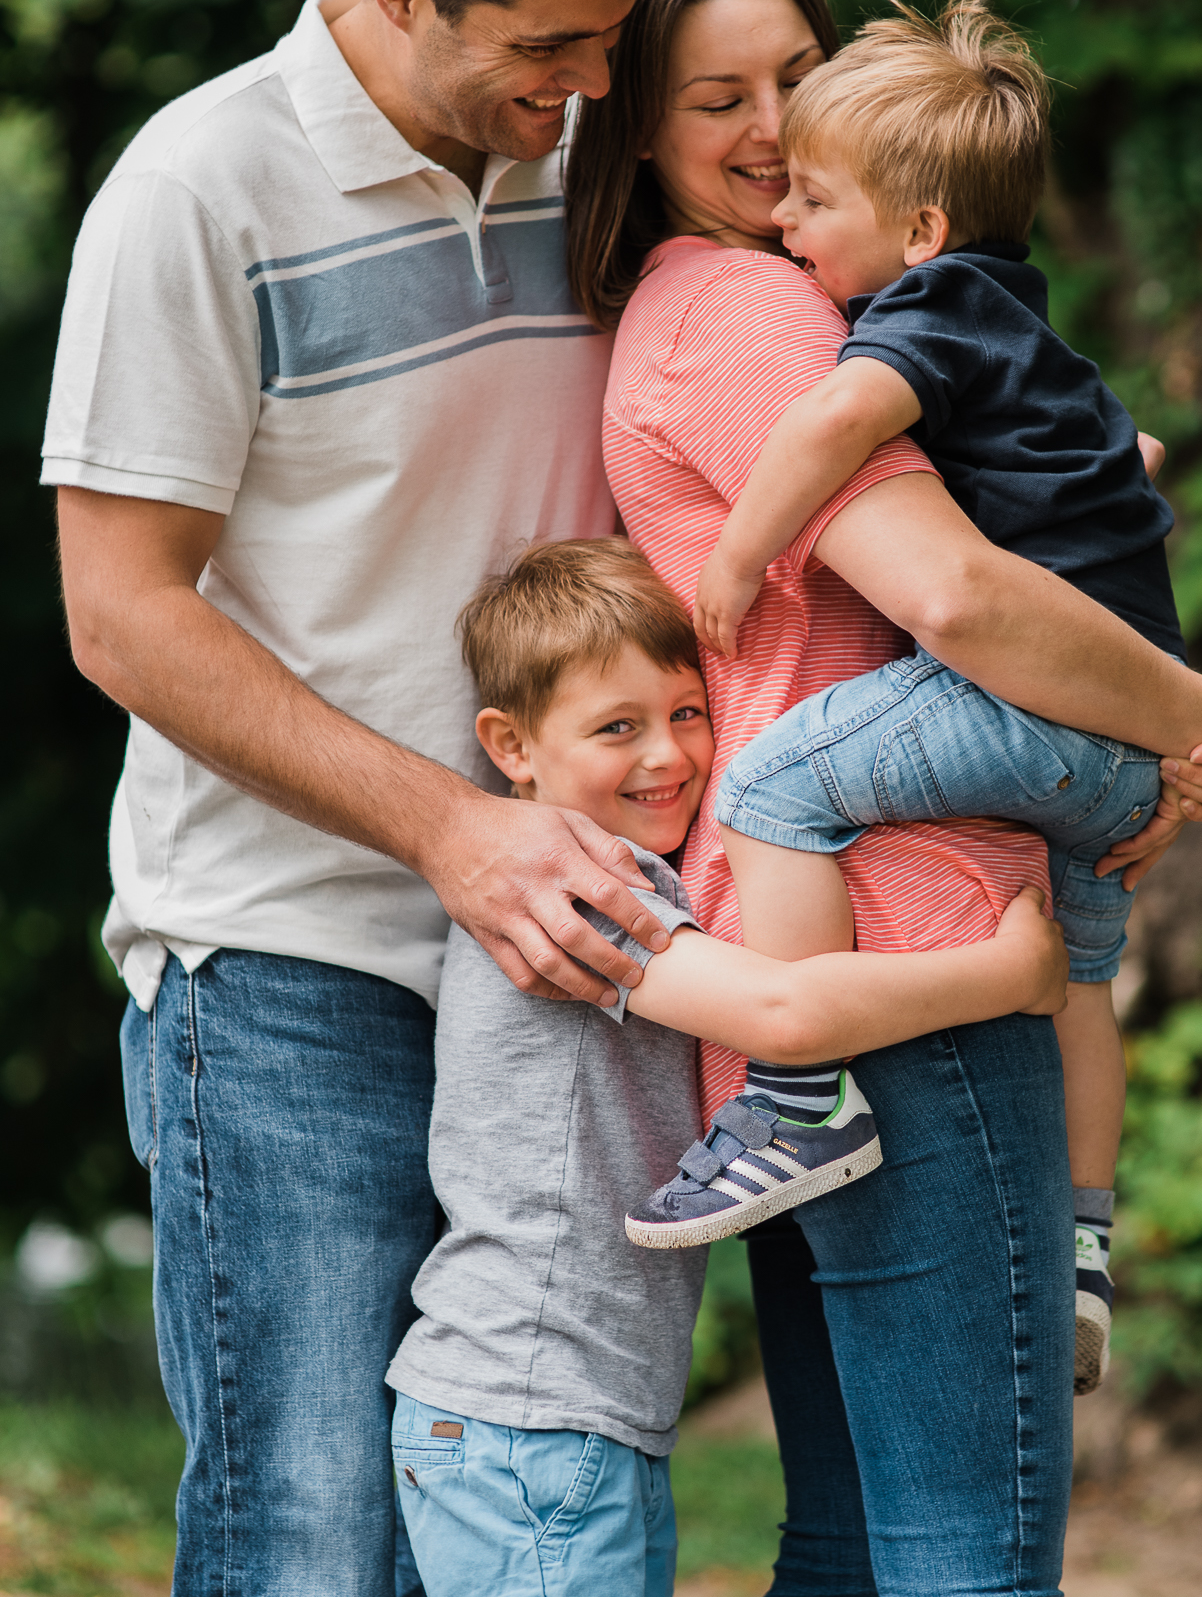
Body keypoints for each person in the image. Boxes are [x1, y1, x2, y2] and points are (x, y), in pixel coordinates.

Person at [565, 0, 1202, 1595]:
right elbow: (953, 589)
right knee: (969, 1548)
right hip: (922, 946)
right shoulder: (759, 317)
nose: (766, 128)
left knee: (860, 1540)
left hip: (836, 958)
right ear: (638, 123)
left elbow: (1048, 495)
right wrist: (1186, 724)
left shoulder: (728, 303)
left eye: (793, 78)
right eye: (711, 95)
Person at [41, 0, 673, 1596]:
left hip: (555, 964)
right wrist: (454, 832)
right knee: (311, 1538)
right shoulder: (197, 184)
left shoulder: (601, 153)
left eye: (606, 42)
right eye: (541, 48)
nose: (582, 89)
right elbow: (123, 614)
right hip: (288, 956)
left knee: (502, 1529)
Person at [665, 0, 1202, 1392]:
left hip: (1042, 719)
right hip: (1119, 741)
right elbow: (1131, 462)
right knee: (1081, 977)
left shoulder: (918, 312)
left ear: (913, 233)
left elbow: (834, 418)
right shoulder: (1024, 326)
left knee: (773, 781)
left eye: (814, 202)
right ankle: (1084, 1242)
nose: (788, 225)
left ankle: (795, 1099)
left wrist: (737, 552)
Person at [389, 536, 1066, 1597]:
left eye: (686, 712)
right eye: (617, 727)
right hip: (525, 1414)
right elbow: (785, 1012)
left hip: (569, 1413)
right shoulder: (568, 887)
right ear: (509, 743)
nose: (667, 755)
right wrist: (1006, 971)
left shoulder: (636, 861)